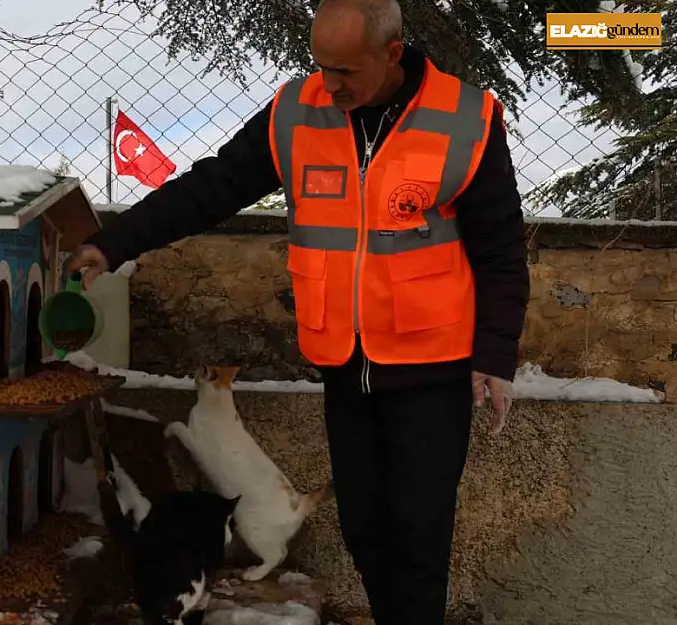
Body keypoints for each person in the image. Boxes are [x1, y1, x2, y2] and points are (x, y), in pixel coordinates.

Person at [65, 0, 530, 622]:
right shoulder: (297, 111)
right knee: (365, 530)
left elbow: (500, 249)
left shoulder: (465, 118)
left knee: (419, 533)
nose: (328, 85)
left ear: (392, 53)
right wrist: (112, 242)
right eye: (320, 66)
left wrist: (495, 356)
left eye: (345, 71)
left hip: (432, 365)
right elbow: (213, 186)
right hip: (344, 364)